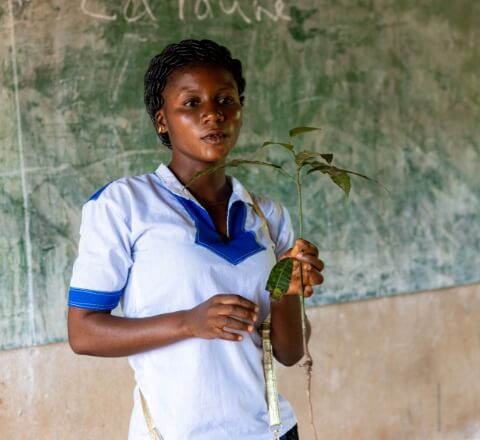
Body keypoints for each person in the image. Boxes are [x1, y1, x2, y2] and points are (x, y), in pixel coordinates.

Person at [67, 39, 324, 440]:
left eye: (225, 100)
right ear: (162, 121)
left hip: (271, 431)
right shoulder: (124, 205)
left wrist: (287, 292)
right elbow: (83, 333)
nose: (213, 115)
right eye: (191, 103)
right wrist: (188, 322)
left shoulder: (266, 215)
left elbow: (290, 354)